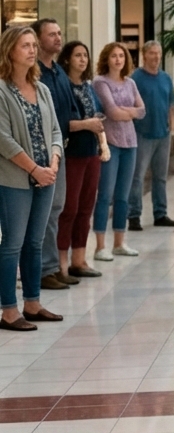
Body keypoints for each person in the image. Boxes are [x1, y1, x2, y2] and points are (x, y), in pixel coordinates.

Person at [0, 26, 64, 329]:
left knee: (35, 243)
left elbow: (54, 130)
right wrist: (34, 169)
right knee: (12, 243)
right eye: (25, 45)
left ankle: (33, 303)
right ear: (10, 50)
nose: (32, 50)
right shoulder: (1, 89)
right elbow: (3, 139)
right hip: (15, 178)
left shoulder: (42, 89)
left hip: (46, 175)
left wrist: (52, 162)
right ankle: (9, 311)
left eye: (33, 45)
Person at [32, 19, 79, 290]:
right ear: (39, 40)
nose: (58, 38)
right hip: (38, 152)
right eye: (52, 34)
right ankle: (42, 270)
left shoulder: (59, 72)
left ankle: (51, 267)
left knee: (57, 209)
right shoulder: (33, 73)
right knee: (45, 212)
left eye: (60, 33)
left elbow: (68, 109)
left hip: (59, 150)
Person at [57, 41, 109, 280]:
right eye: (77, 55)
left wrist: (99, 135)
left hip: (91, 153)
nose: (83, 59)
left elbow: (98, 114)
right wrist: (87, 124)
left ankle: (79, 259)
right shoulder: (62, 86)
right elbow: (62, 122)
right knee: (69, 208)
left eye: (85, 55)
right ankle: (60, 263)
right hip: (72, 154)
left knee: (86, 207)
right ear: (67, 59)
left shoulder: (88, 87)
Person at [92, 42, 145, 262]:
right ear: (107, 58)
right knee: (105, 195)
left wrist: (128, 112)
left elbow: (142, 111)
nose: (118, 60)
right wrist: (127, 111)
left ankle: (119, 242)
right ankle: (100, 246)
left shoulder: (131, 83)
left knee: (123, 195)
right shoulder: (99, 82)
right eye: (114, 56)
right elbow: (112, 112)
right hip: (110, 143)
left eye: (121, 56)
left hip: (130, 142)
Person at [128, 40, 174, 230]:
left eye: (158, 53)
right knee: (138, 177)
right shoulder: (136, 79)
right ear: (144, 55)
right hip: (142, 134)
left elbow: (171, 105)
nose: (156, 57)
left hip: (163, 134)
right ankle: (134, 215)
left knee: (160, 177)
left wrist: (172, 128)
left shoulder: (166, 78)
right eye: (152, 53)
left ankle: (160, 213)